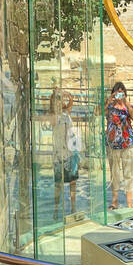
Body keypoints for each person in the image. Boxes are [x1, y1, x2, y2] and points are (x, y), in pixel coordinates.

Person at [104, 81, 133, 210]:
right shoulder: (109, 107)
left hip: (127, 143)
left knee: (128, 173)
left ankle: (129, 202)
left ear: (125, 93)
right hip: (112, 144)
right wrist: (109, 100)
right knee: (114, 174)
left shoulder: (128, 107)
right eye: (117, 92)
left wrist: (126, 103)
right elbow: (97, 112)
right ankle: (115, 202)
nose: (119, 95)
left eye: (121, 92)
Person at [50, 90, 80, 218]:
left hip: (70, 152)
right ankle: (56, 210)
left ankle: (73, 208)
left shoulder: (66, 113)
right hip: (59, 155)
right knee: (58, 184)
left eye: (62, 99)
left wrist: (69, 95)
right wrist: (56, 96)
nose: (62, 101)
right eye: (59, 99)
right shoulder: (55, 116)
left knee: (72, 182)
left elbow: (71, 103)